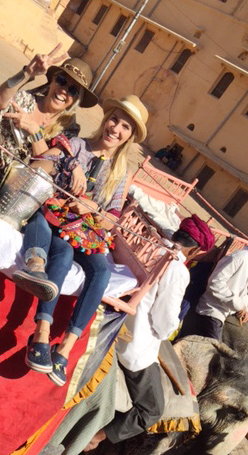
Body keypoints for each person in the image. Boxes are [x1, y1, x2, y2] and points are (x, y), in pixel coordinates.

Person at [13, 95, 149, 387]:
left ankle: (65, 348)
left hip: (87, 229)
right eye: (115, 120)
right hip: (58, 219)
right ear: (105, 119)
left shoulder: (120, 171)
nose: (116, 129)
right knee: (61, 253)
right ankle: (42, 334)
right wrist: (73, 165)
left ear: (130, 136)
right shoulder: (77, 145)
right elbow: (46, 159)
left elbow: (113, 217)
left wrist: (95, 210)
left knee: (101, 271)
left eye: (125, 127)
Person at [0, 45, 98, 272]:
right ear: (52, 81)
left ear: (75, 100)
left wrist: (34, 130)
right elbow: (0, 101)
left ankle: (35, 270)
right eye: (61, 81)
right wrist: (27, 73)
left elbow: (51, 162)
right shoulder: (26, 100)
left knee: (40, 223)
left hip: (17, 188)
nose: (64, 91)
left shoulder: (69, 129)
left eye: (73, 90)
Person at [83, 215, 215, 451]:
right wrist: (175, 323)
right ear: (195, 250)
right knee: (152, 410)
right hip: (133, 343)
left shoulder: (150, 243)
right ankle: (97, 437)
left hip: (113, 314)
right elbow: (163, 324)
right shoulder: (177, 269)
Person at [178, 232, 248, 342]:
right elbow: (215, 283)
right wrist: (238, 305)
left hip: (221, 313)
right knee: (214, 353)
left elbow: (243, 288)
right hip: (210, 310)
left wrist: (245, 309)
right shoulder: (241, 257)